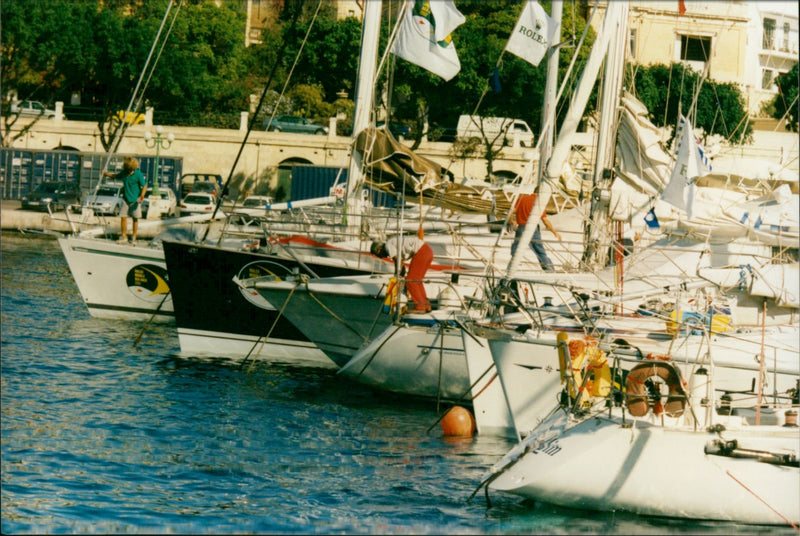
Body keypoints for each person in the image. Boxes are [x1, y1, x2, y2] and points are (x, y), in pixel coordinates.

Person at [371, 235, 433, 313]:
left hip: (422, 251)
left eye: (379, 255)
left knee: (411, 280)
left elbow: (398, 261)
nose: (383, 257)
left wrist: (396, 276)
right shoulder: (392, 243)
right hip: (427, 251)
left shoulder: (388, 246)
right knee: (417, 281)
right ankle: (426, 305)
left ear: (379, 250)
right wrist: (400, 273)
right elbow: (400, 264)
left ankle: (420, 307)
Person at [509, 192, 562, 271]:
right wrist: (554, 232)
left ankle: (510, 269)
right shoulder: (538, 203)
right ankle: (549, 270)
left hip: (521, 228)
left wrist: (512, 222)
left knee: (516, 251)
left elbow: (511, 212)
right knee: (539, 251)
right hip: (532, 228)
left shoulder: (522, 199)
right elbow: (545, 221)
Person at [103, 156, 147, 245]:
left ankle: (134, 236)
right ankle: (124, 236)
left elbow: (144, 186)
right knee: (123, 217)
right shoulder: (124, 173)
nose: (127, 170)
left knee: (135, 219)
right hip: (125, 199)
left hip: (135, 200)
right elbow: (116, 176)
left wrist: (141, 196)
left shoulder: (138, 174)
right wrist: (107, 174)